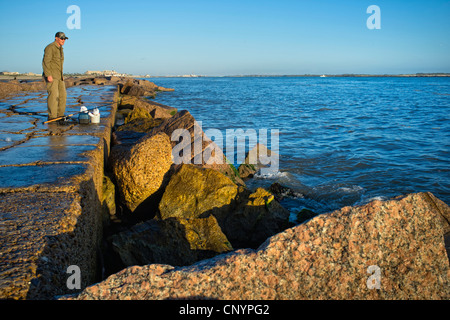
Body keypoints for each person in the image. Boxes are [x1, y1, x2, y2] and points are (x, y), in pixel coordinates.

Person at [42, 32, 68, 122]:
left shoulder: (60, 49)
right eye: (61, 38)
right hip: (51, 75)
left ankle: (60, 115)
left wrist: (62, 75)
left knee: (63, 95)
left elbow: (59, 64)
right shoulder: (50, 47)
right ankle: (52, 116)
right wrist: (48, 75)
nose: (63, 40)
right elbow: (46, 62)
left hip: (59, 76)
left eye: (64, 39)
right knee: (53, 96)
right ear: (56, 38)